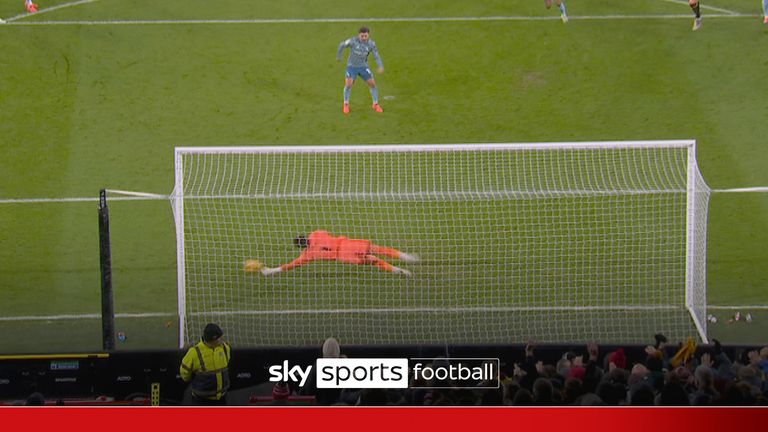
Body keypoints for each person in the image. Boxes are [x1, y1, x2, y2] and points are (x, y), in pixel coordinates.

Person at [253, 230, 418, 276]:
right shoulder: (316, 234)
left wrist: (270, 271)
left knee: (374, 259)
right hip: (346, 246)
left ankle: (399, 270)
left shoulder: (307, 255)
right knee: (376, 251)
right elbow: (325, 234)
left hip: (344, 255)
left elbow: (290, 266)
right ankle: (404, 258)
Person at [180, 323, 231, 405]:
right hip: (201, 401)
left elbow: (227, 362)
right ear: (213, 340)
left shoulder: (225, 348)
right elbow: (184, 373)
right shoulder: (194, 353)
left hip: (221, 399)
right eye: (219, 338)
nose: (222, 340)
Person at [337, 26, 384, 114]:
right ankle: (346, 104)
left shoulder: (371, 44)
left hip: (363, 67)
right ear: (359, 35)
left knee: (372, 84)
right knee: (348, 84)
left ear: (368, 35)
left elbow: (376, 56)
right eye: (362, 36)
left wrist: (380, 65)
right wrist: (339, 56)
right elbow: (342, 45)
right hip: (352, 67)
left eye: (365, 36)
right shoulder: (353, 41)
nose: (364, 38)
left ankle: (375, 104)